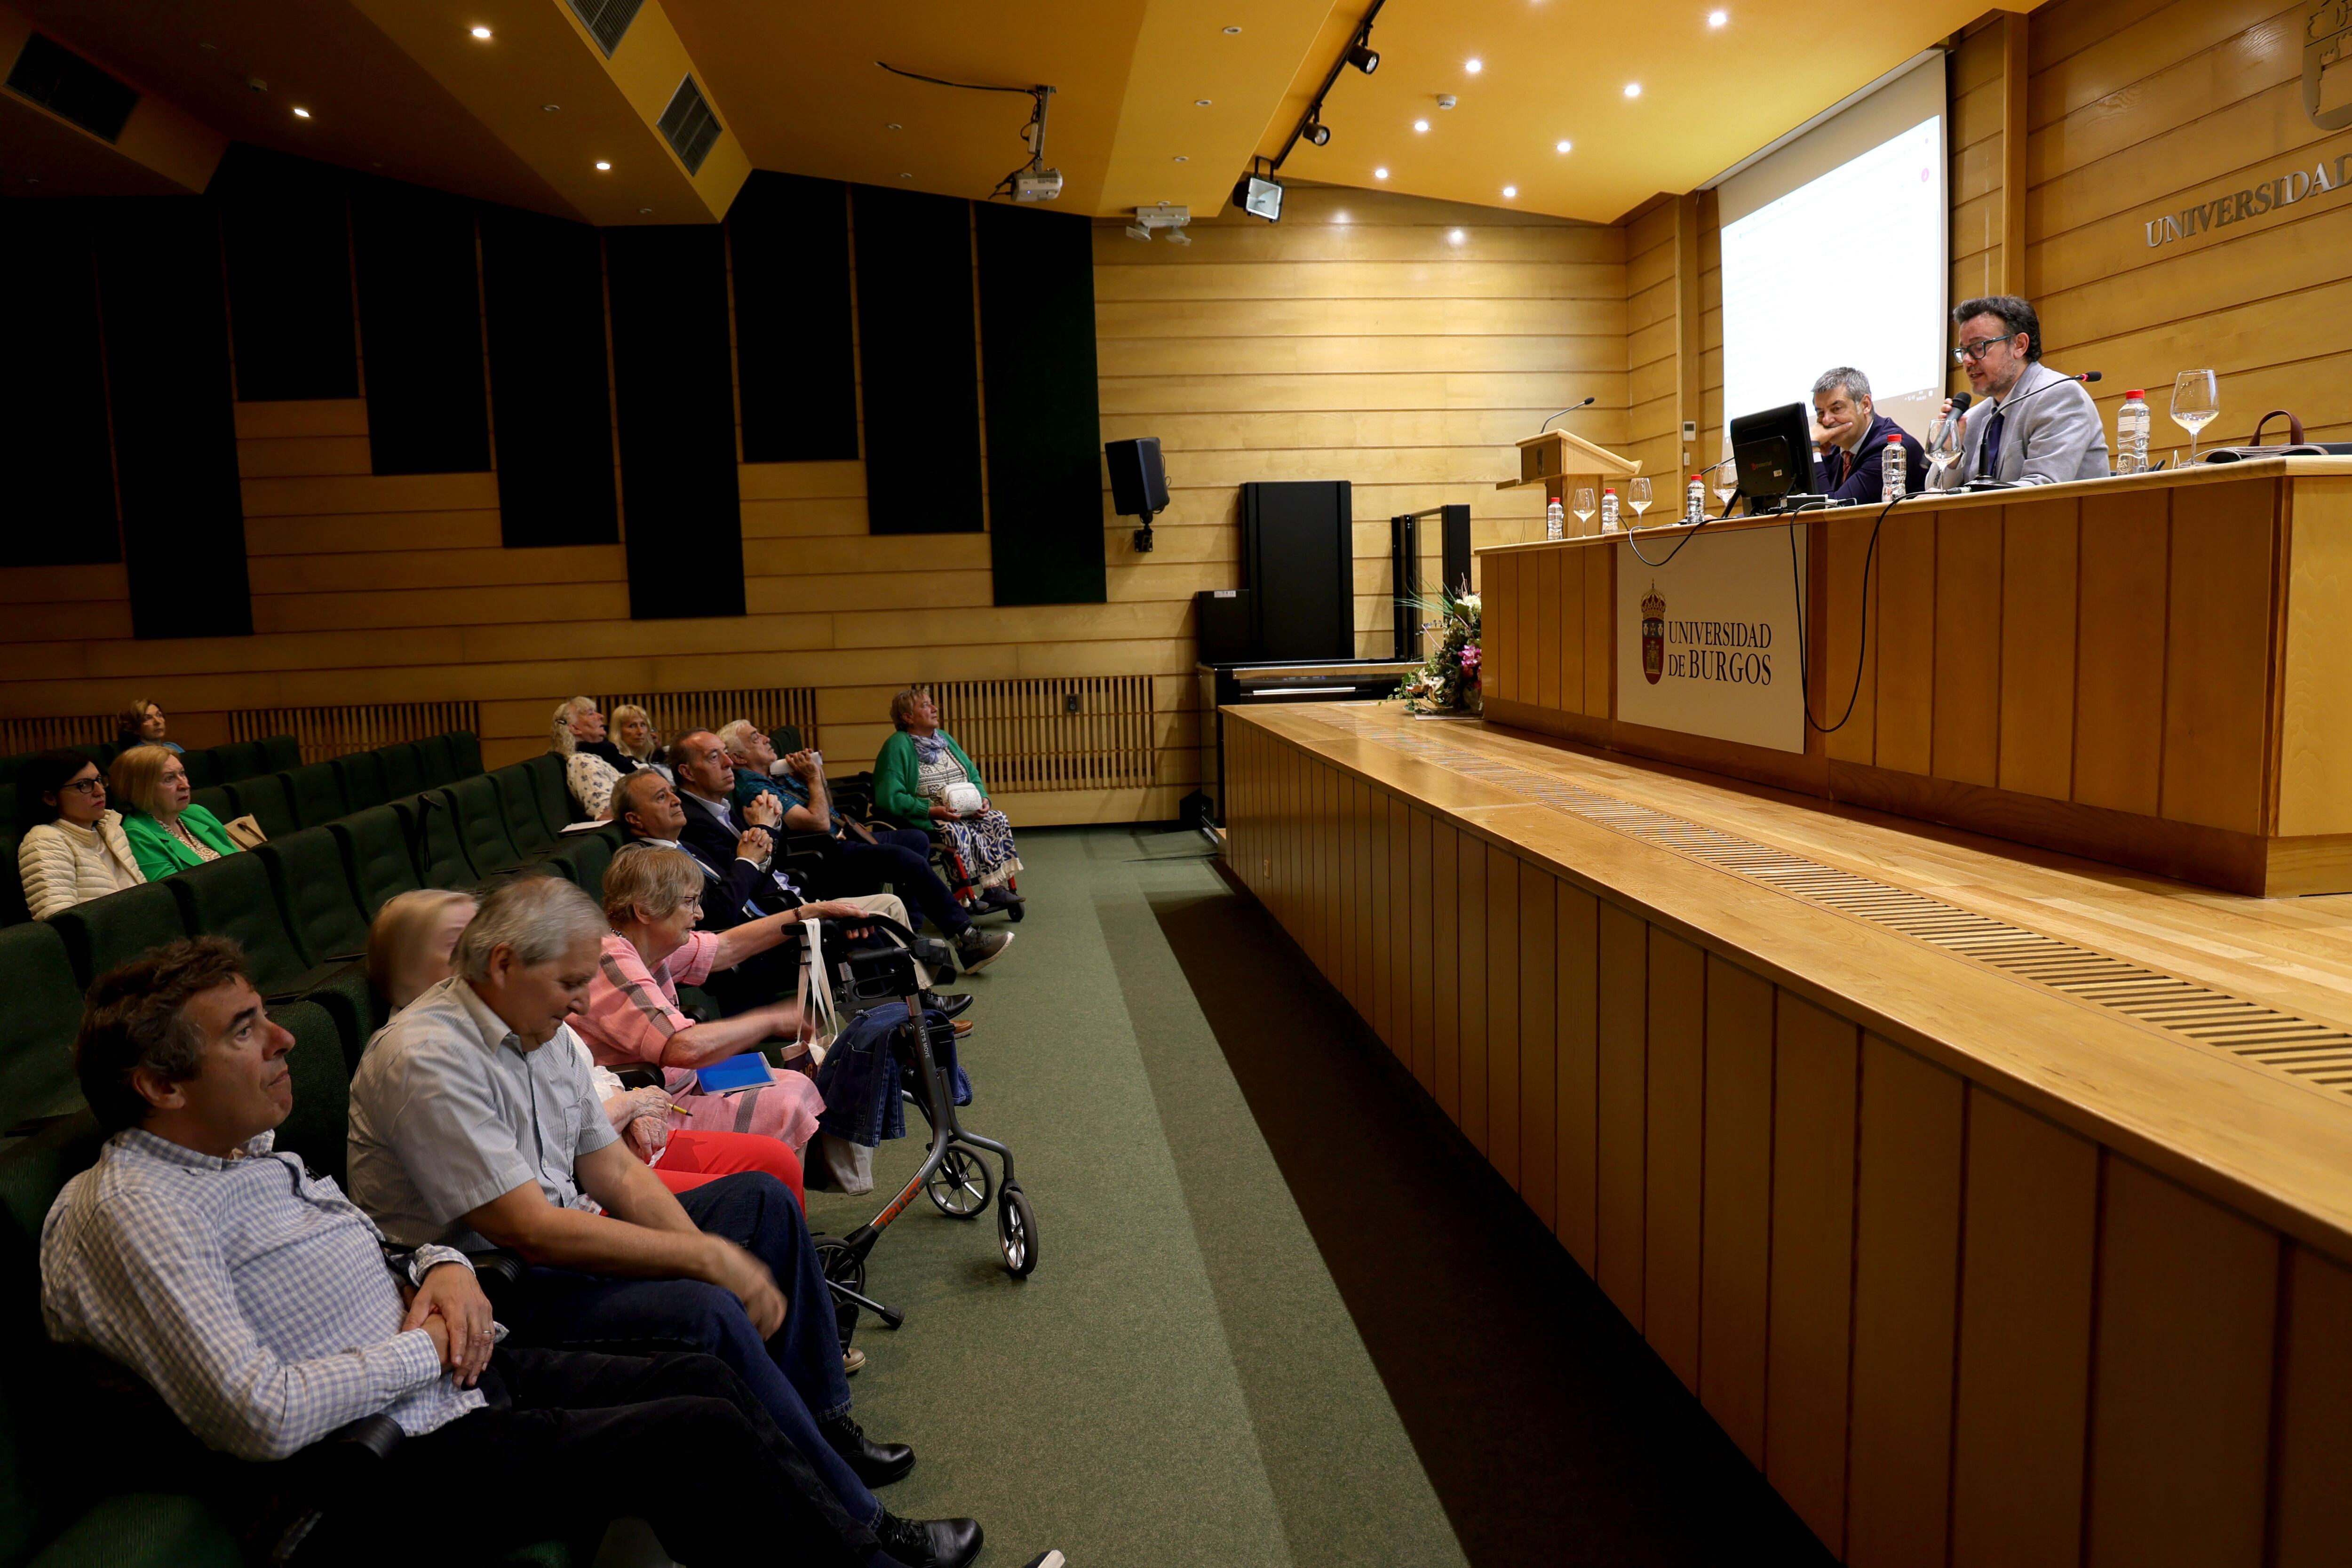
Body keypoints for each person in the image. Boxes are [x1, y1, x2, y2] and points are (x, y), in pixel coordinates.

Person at [39, 937, 911, 1568]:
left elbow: (380, 1242)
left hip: (449, 1384)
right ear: (160, 1085)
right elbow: (258, 1411)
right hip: (382, 1461)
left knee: (710, 1383)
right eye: (244, 1030)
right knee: (699, 1428)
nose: (285, 1040)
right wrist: (432, 1342)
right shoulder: (133, 1209)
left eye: (267, 1016)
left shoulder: (249, 1156)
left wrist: (441, 1268)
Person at [343, 877, 981, 1568]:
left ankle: (824, 1435)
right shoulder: (425, 1057)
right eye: (571, 983)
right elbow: (532, 1229)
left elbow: (613, 1173)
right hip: (498, 1291)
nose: (585, 1002)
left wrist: (702, 1244)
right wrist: (707, 1259)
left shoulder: (536, 1021)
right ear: (501, 963)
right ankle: (863, 1530)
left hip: (560, 1244)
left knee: (760, 1204)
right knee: (704, 1309)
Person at [366, 885, 812, 1208]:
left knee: (773, 1164)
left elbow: (587, 1086)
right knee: (759, 1201)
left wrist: (629, 1105)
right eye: (459, 945)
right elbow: (538, 1200)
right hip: (564, 1208)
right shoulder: (426, 1055)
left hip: (602, 1162)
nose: (479, 950)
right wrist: (630, 1107)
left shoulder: (528, 1015)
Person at [580, 842, 846, 1160]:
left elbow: (724, 948)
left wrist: (806, 914)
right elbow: (683, 1047)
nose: (700, 914)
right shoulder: (610, 959)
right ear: (645, 909)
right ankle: (772, 1200)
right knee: (785, 1104)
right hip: (653, 1105)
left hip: (679, 1082)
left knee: (796, 1083)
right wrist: (771, 1019)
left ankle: (777, 1200)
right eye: (690, 902)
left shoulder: (644, 942)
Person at [699, 729, 1011, 974]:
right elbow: (819, 822)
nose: (767, 739)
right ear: (740, 757)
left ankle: (912, 932)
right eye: (756, 738)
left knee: (915, 840)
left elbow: (830, 806)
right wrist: (809, 778)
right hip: (821, 854)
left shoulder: (773, 776)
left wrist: (815, 774)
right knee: (907, 860)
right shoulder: (754, 787)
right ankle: (965, 937)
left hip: (843, 836)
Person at [1930, 294, 2110, 489]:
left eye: (1978, 347)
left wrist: (1964, 495)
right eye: (1964, 350)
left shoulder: (2059, 396)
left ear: (2019, 345)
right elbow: (1934, 492)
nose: (1967, 360)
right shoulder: (1972, 418)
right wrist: (1950, 452)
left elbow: (2043, 487)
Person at [874, 689, 1024, 908]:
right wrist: (930, 810)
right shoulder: (897, 745)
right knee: (956, 830)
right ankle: (962, 894)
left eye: (932, 704)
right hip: (928, 817)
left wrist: (983, 799)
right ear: (908, 717)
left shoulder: (944, 739)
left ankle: (994, 889)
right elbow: (890, 798)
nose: (934, 709)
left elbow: (972, 774)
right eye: (925, 706)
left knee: (996, 819)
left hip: (962, 811)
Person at [16, 749, 146, 919]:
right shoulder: (44, 841)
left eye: (99, 780)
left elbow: (145, 892)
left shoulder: (112, 830)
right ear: (50, 798)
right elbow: (61, 922)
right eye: (83, 785)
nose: (100, 791)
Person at [111, 744, 239, 879]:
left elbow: (239, 859)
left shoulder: (197, 813)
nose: (185, 785)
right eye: (169, 779)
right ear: (142, 789)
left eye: (182, 774)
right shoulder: (137, 835)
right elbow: (179, 892)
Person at [1808, 368, 1927, 504]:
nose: (1826, 421)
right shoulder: (1836, 449)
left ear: (1865, 405)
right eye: (1821, 413)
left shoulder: (1889, 450)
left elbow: (1833, 510)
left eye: (1837, 409)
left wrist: (1813, 449)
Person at [550, 695, 634, 821]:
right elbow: (607, 814)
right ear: (575, 728)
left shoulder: (604, 755)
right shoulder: (582, 763)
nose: (601, 716)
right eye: (590, 714)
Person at [612, 702, 673, 783]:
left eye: (643, 725)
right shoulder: (617, 764)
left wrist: (658, 751)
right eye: (632, 726)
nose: (640, 732)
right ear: (618, 731)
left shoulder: (648, 758)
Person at [114, 699, 181, 754]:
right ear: (135, 728)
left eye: (159, 715)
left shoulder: (173, 747)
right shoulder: (136, 755)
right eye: (147, 718)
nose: (157, 722)